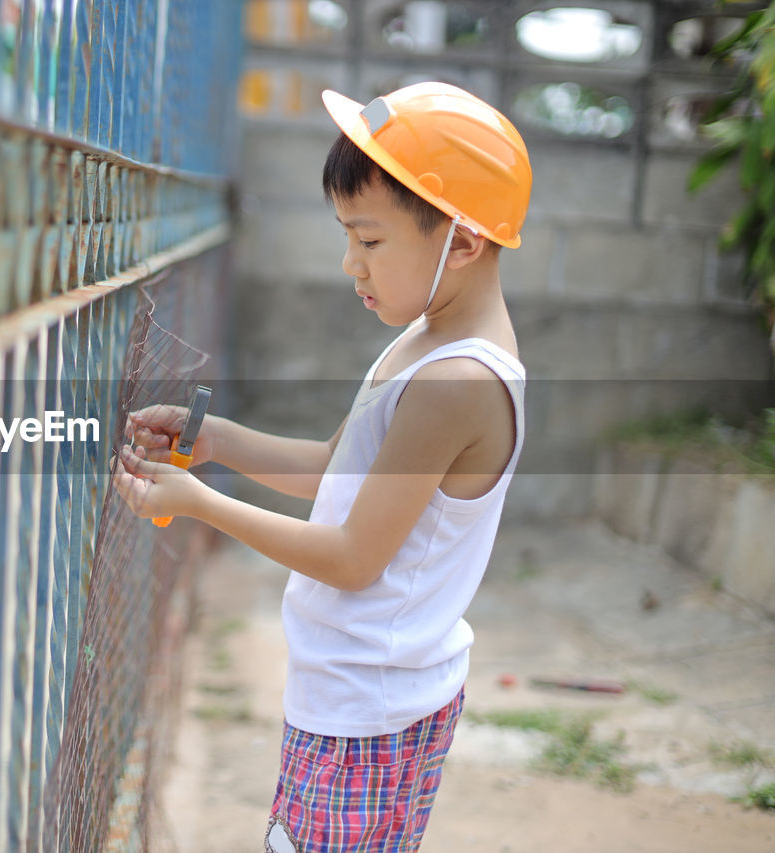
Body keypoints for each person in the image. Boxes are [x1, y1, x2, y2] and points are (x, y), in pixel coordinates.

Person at [112, 81, 531, 852]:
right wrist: (221, 443)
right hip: (366, 692)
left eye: (369, 241)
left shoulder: (455, 382)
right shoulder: (424, 340)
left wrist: (199, 502)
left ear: (462, 241)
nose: (350, 264)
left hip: (367, 711)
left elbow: (350, 557)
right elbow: (337, 470)